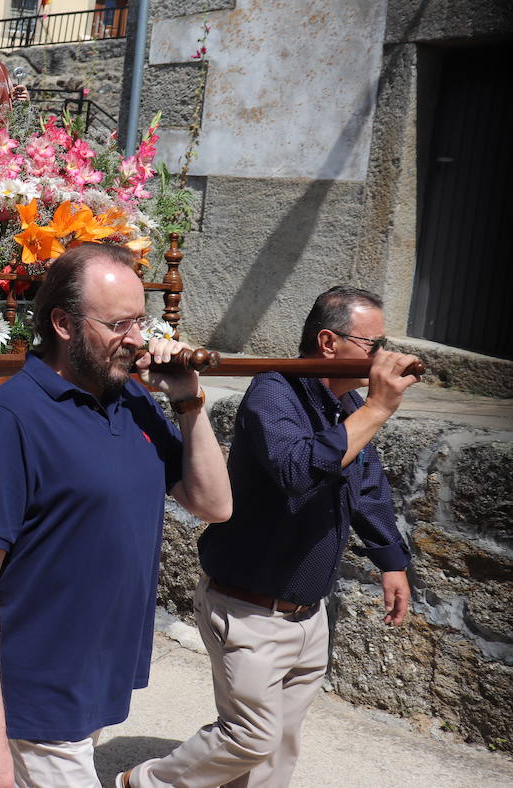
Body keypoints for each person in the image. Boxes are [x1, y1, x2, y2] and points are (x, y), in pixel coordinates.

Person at [0, 242, 231, 788]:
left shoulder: (133, 401)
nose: (138, 339)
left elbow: (215, 504)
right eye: (119, 323)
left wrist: (190, 404)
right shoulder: (14, 417)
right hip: (42, 686)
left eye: (141, 320)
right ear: (63, 323)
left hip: (101, 673)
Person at [121, 287, 418, 788]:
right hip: (250, 610)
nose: (383, 354)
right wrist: (376, 411)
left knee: (277, 750)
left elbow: (364, 481)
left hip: (308, 610)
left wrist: (391, 559)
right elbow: (297, 471)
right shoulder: (273, 392)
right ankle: (144, 783)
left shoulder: (345, 403)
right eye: (374, 343)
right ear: (328, 341)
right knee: (249, 736)